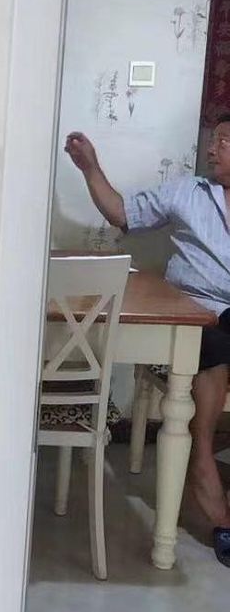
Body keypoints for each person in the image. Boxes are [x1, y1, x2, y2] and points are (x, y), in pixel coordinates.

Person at [64, 120, 230, 535]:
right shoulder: (187, 192)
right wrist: (90, 167)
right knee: (214, 347)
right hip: (197, 309)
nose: (213, 149)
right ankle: (202, 458)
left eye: (224, 142)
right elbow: (123, 213)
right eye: (213, 141)